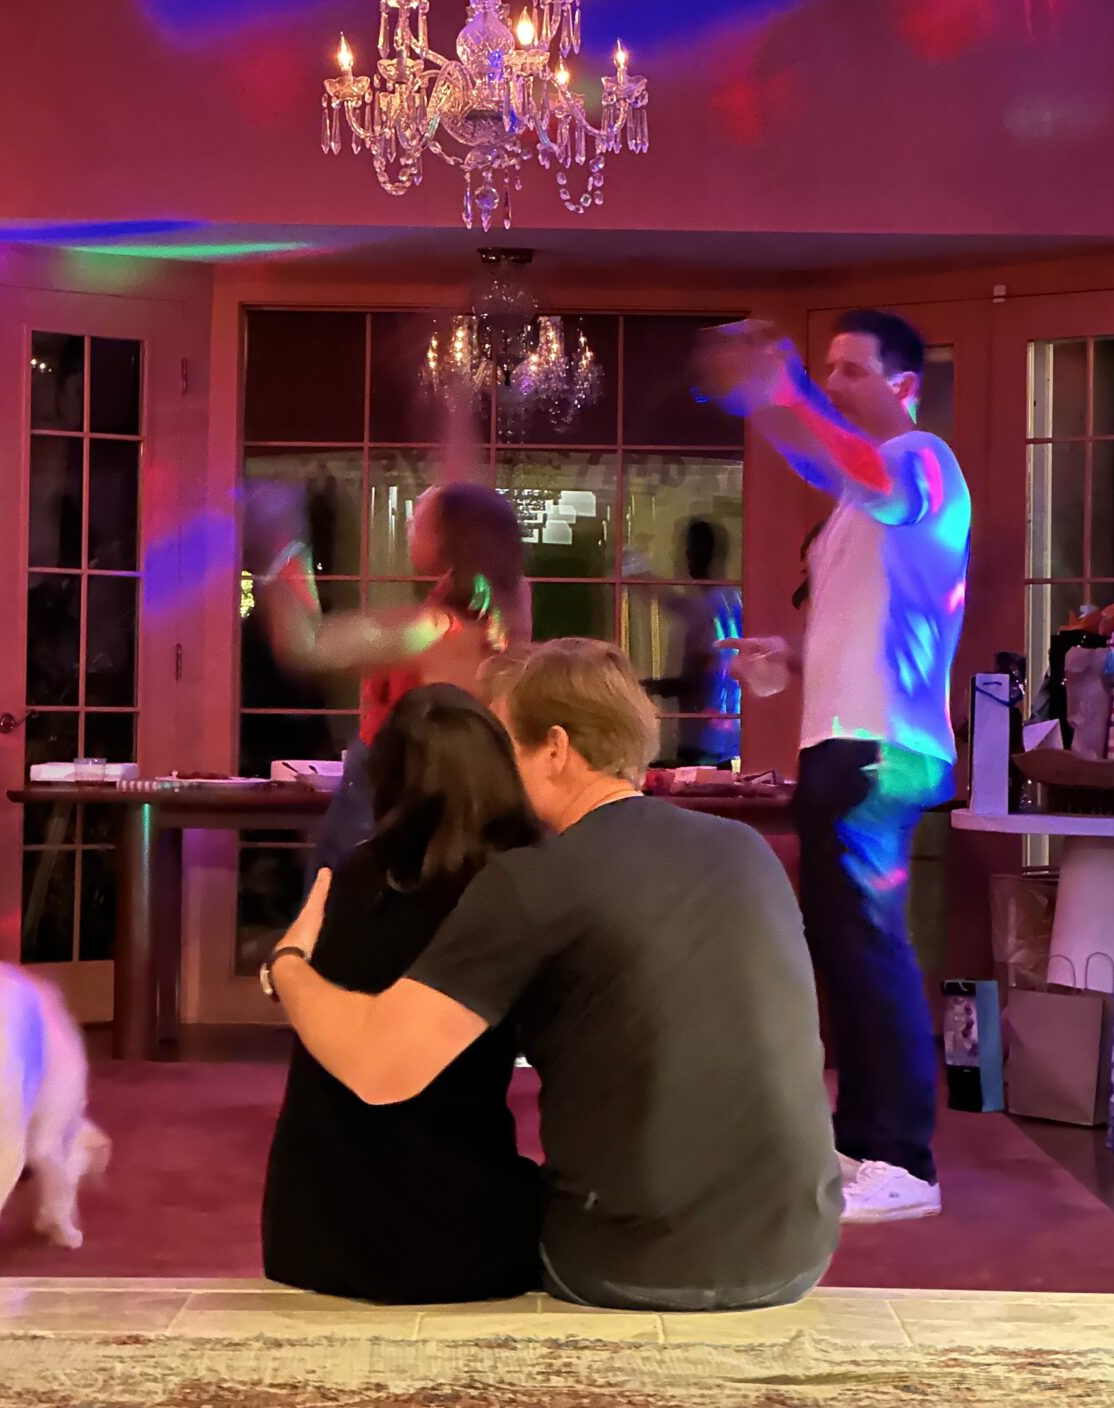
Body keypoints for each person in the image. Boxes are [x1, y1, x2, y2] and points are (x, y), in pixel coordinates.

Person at [266, 639, 841, 1312]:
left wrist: (290, 964)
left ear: (557, 748)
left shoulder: (532, 881)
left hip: (629, 1263)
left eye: (502, 740)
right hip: (799, 1250)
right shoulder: (747, 850)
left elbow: (377, 1065)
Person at [700, 309, 970, 1225]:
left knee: (869, 946)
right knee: (845, 950)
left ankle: (903, 1158)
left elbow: (845, 458)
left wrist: (780, 393)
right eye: (826, 369)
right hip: (838, 744)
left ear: (904, 388)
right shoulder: (859, 507)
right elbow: (860, 632)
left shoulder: (924, 460)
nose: (835, 384)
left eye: (852, 371)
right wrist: (788, 653)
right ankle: (863, 1145)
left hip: (882, 750)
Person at [261, 684, 543, 1303]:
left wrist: (283, 963)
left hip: (309, 1235)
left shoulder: (358, 875)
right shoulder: (515, 888)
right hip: (448, 1241)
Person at [245, 478, 533, 878]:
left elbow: (308, 645)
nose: (411, 523)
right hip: (465, 808)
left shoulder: (436, 628)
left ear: (451, 537)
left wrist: (283, 546)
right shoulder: (507, 612)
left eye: (421, 517)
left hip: (393, 807)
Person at [628, 518, 742, 767]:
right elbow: (674, 604)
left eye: (688, 551)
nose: (683, 559)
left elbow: (696, 680)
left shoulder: (709, 607)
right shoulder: (731, 599)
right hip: (725, 739)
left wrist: (637, 687)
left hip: (704, 743)